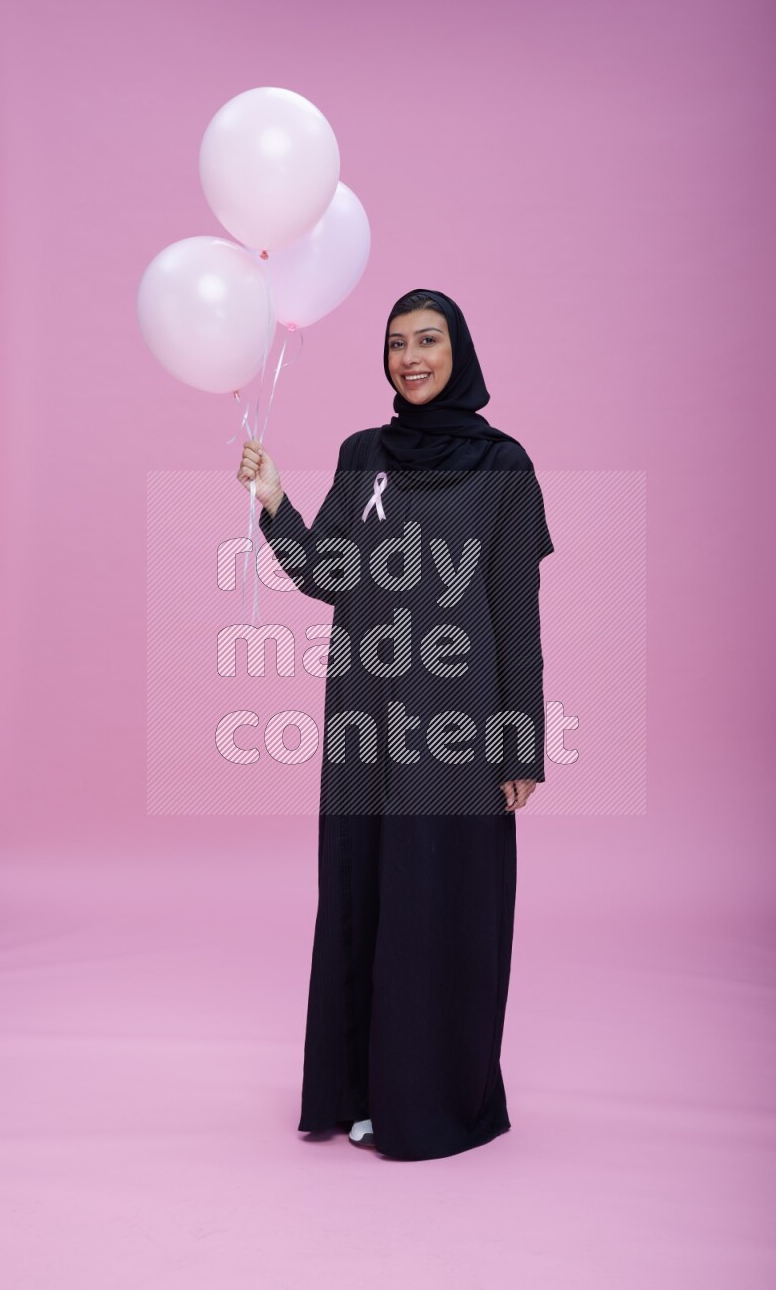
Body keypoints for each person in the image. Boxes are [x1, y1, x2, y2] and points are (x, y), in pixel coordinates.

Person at [237, 289, 554, 1160]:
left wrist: (520, 743)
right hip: (365, 726)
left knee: (436, 906)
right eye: (396, 343)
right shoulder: (361, 454)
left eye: (428, 340)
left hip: (456, 737)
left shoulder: (504, 467)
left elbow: (514, 617)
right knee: (365, 896)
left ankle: (432, 1101)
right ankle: (363, 1090)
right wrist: (274, 503)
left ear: (460, 350)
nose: (410, 357)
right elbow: (329, 573)